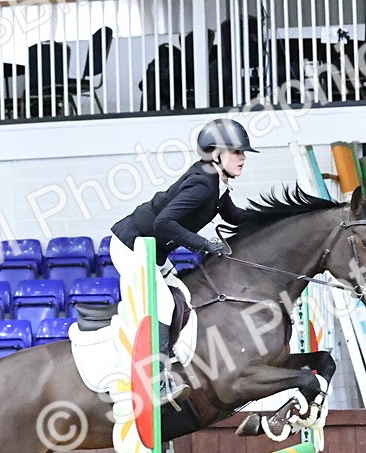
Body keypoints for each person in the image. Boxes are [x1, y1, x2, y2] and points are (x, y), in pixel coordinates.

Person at [110, 117, 259, 403]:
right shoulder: (203, 185)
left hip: (152, 250)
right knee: (164, 305)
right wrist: (204, 244)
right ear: (216, 154)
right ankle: (157, 380)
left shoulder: (216, 182)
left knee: (184, 295)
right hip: (132, 246)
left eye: (243, 153)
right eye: (237, 152)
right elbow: (164, 223)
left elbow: (234, 216)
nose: (242, 158)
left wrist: (269, 218)